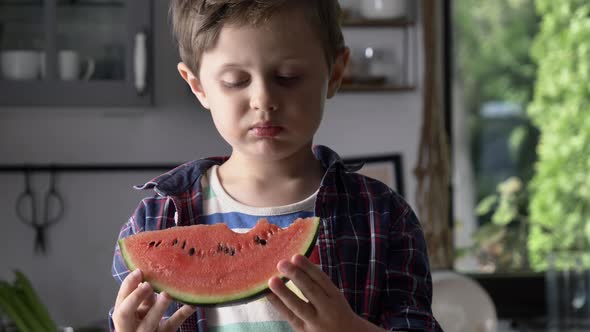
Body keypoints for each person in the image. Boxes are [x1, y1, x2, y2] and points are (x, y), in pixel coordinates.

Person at [109, 0, 442, 331]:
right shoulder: (155, 223)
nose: (263, 99)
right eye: (236, 80)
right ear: (198, 85)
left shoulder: (383, 217)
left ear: (336, 73)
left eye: (288, 76)